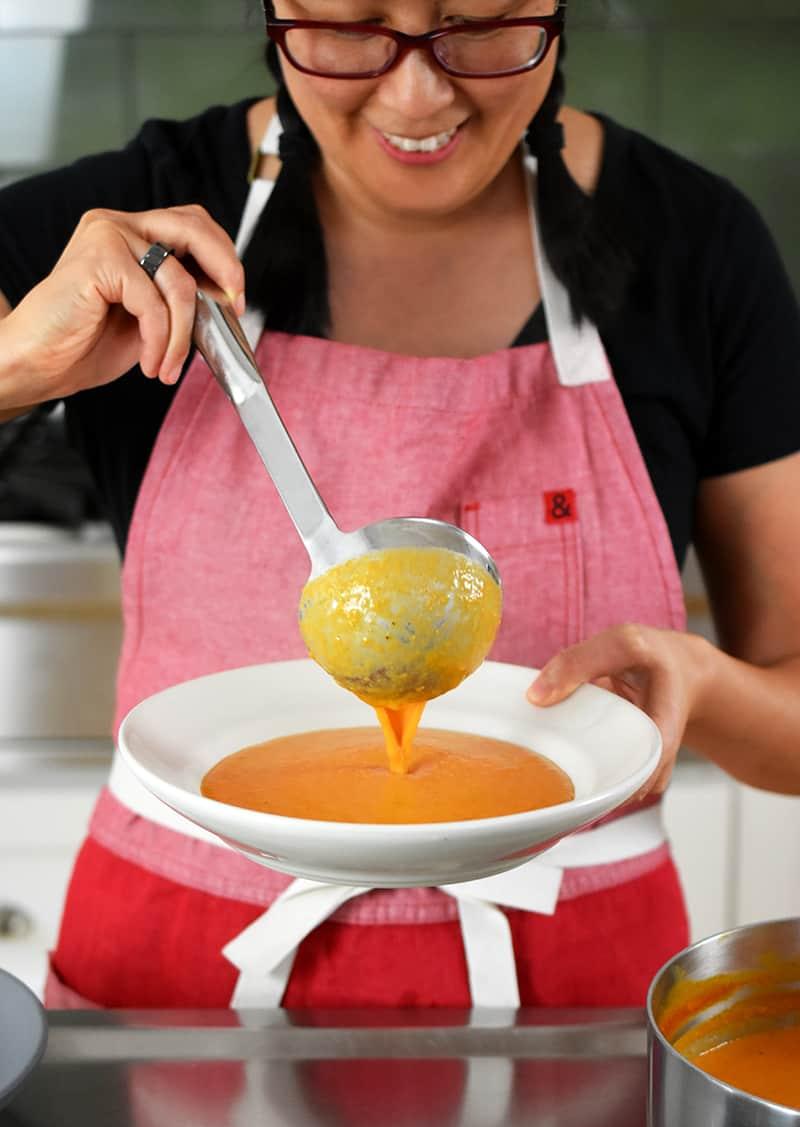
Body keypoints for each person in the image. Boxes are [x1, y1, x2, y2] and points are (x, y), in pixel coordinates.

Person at [1, 0, 799, 1012]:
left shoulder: (697, 244)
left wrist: (703, 685)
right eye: (349, 28)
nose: (417, 95)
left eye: (481, 24)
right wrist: (17, 364)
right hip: (172, 980)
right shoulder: (137, 222)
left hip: (577, 989)